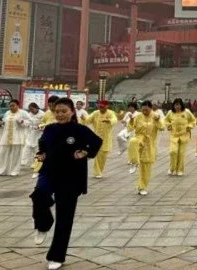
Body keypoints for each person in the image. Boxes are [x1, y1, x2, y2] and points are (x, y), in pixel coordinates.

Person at [31, 97, 102, 270]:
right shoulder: (49, 129)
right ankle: (43, 223)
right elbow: (43, 145)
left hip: (71, 177)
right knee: (39, 194)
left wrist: (85, 152)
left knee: (65, 218)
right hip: (49, 172)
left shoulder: (80, 130)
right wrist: (42, 154)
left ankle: (57, 256)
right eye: (57, 111)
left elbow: (97, 142)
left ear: (72, 112)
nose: (60, 114)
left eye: (64, 111)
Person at [130, 101, 165, 196]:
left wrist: (158, 120)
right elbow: (130, 127)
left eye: (146, 109)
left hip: (149, 144)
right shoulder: (138, 116)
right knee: (132, 141)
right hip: (139, 139)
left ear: (150, 108)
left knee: (146, 169)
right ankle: (134, 162)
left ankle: (142, 187)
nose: (144, 111)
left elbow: (162, 127)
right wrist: (130, 120)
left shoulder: (156, 116)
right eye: (143, 109)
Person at [81, 100, 117, 178]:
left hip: (106, 138)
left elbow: (115, 120)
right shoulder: (95, 113)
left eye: (103, 107)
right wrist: (84, 118)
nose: (101, 108)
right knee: (97, 155)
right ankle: (97, 172)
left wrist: (109, 121)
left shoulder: (111, 113)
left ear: (107, 106)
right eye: (100, 106)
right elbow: (88, 120)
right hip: (96, 137)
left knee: (103, 156)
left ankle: (100, 171)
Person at [0, 99, 31, 177]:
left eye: (13, 105)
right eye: (10, 106)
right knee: (3, 153)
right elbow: (4, 122)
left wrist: (22, 122)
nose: (11, 107)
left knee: (16, 155)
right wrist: (1, 123)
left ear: (18, 105)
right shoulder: (7, 113)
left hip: (17, 137)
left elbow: (29, 122)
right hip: (6, 136)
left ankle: (14, 171)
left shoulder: (23, 113)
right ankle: (2, 170)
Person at [164, 98, 196, 176]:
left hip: (184, 135)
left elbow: (193, 120)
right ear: (173, 105)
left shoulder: (187, 112)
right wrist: (168, 125)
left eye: (178, 105)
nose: (177, 107)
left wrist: (190, 126)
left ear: (181, 105)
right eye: (175, 105)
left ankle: (180, 170)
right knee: (173, 152)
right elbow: (166, 120)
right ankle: (172, 169)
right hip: (174, 136)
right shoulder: (170, 113)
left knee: (181, 153)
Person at [22, 103, 44, 176]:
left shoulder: (42, 114)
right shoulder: (29, 114)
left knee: (37, 149)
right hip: (31, 133)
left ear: (36, 108)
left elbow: (44, 124)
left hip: (39, 134)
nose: (31, 111)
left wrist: (39, 127)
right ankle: (23, 162)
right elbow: (27, 122)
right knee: (27, 147)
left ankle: (37, 163)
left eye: (32, 109)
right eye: (30, 110)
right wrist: (24, 123)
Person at [117, 103, 139, 173]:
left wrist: (131, 120)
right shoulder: (127, 113)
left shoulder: (138, 114)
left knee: (131, 146)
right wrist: (123, 121)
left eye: (131, 107)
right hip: (127, 129)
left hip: (134, 130)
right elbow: (123, 121)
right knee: (119, 136)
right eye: (129, 107)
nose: (130, 108)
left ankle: (131, 159)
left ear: (134, 108)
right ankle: (123, 148)